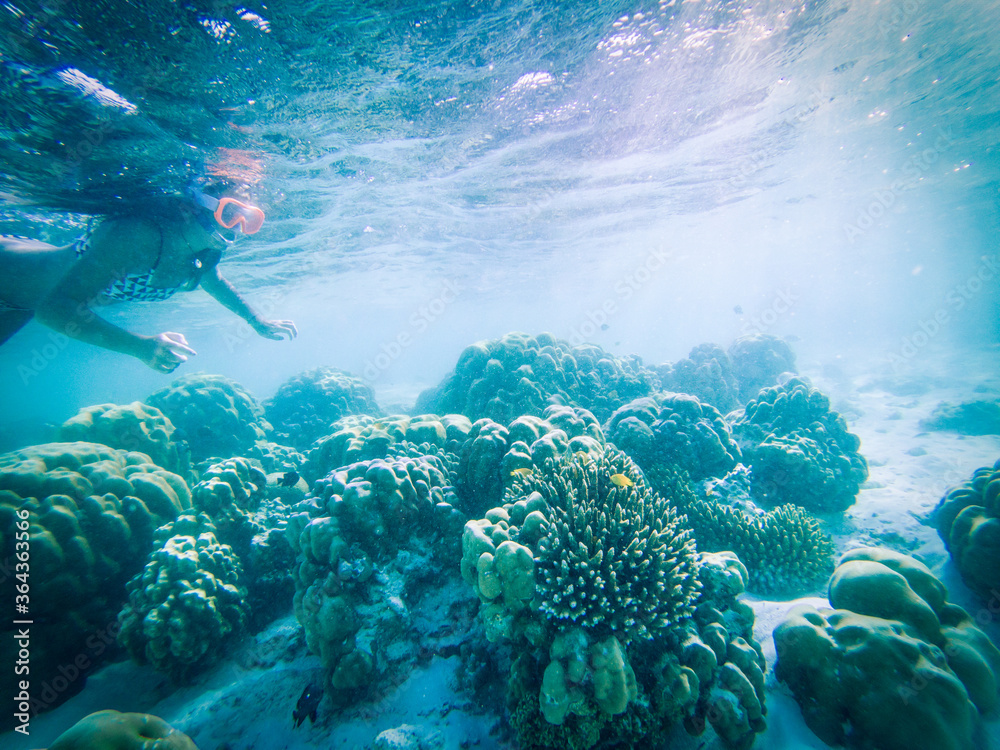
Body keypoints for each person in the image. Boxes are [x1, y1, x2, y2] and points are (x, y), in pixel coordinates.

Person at [0, 190, 296, 373]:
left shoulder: (201, 254)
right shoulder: (139, 235)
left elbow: (213, 281)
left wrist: (256, 320)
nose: (238, 228)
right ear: (193, 207)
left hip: (18, 305)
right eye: (230, 214)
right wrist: (140, 347)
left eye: (250, 222)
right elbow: (54, 310)